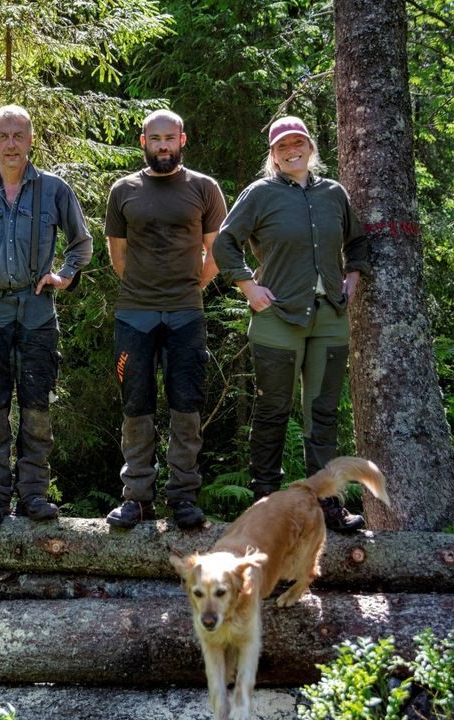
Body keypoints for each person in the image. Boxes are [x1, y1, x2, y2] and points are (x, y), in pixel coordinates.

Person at [212, 116, 372, 532]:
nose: (292, 150)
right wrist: (249, 287)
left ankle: (326, 504)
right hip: (277, 319)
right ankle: (266, 503)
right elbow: (225, 241)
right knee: (272, 412)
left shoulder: (333, 194)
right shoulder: (260, 194)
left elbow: (357, 241)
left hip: (329, 319)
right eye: (283, 146)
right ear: (274, 154)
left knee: (322, 414)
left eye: (298, 142)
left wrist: (352, 276)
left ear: (310, 147)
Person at [0, 105, 93, 529]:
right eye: (3, 136)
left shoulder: (54, 190)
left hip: (36, 315)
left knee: (36, 408)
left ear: (31, 140)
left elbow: (81, 244)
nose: (11, 144)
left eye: (19, 135)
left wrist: (63, 276)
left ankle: (33, 494)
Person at [102, 110, 227, 530]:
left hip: (186, 314)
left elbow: (218, 252)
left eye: (169, 138)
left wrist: (192, 287)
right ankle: (137, 498)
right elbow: (117, 256)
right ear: (143, 142)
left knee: (186, 404)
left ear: (182, 140)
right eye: (155, 138)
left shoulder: (203, 188)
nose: (162, 145)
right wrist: (145, 289)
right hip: (134, 314)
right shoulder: (123, 190)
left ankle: (183, 497)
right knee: (136, 405)